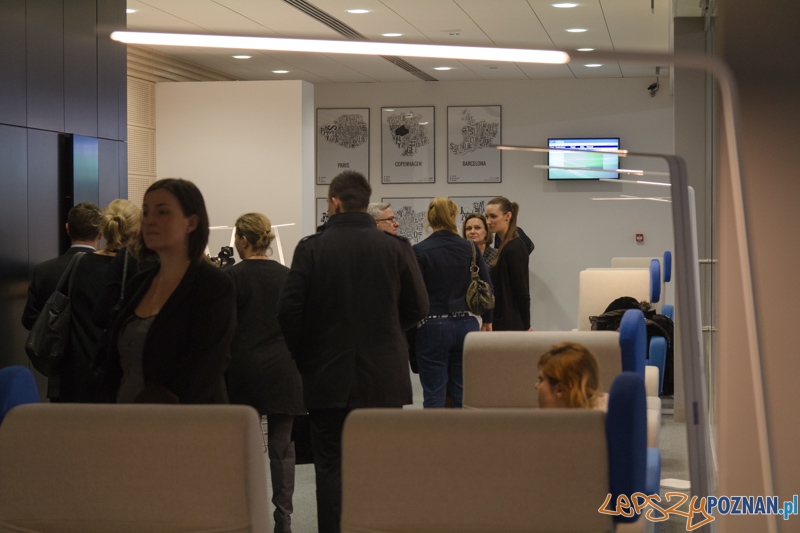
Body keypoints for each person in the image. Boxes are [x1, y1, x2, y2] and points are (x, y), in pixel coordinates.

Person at [277, 171, 428, 533]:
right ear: (365, 201)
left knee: (330, 467)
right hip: (384, 379)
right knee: (379, 466)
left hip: (327, 378)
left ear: (334, 202)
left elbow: (288, 313)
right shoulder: (397, 248)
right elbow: (419, 307)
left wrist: (306, 357)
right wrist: (389, 332)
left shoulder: (311, 249)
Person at [103, 178, 235, 404]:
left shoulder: (213, 286)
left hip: (182, 418)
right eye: (145, 212)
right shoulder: (139, 284)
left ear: (191, 223)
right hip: (124, 413)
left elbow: (204, 370)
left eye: (162, 212)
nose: (149, 221)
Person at [226, 212, 304, 533]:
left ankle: (247, 516)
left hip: (243, 370)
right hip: (284, 369)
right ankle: (283, 520)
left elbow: (224, 329)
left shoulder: (231, 277)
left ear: (243, 240)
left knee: (245, 449)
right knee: (282, 449)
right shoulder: (288, 276)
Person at [58, 199, 141, 402]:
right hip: (121, 373)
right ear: (137, 232)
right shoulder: (140, 270)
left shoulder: (78, 264)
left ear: (102, 229)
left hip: (78, 374)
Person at [413, 198, 492, 408]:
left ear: (430, 219)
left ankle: (435, 431)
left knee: (434, 392)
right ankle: (463, 431)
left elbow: (415, 293)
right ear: (453, 217)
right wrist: (488, 320)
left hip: (432, 325)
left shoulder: (419, 250)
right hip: (467, 324)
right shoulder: (471, 248)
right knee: (463, 393)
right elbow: (487, 286)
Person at [21, 201, 102, 401]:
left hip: (60, 375)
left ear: (67, 229)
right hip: (99, 371)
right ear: (100, 234)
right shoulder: (109, 269)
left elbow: (29, 320)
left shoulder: (44, 270)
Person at [485, 196, 531, 331]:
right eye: (487, 216)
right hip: (504, 318)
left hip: (510, 322)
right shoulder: (505, 246)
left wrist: (526, 324)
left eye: (493, 216)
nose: (488, 221)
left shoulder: (513, 247)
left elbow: (521, 290)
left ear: (508, 216)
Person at [536, 342, 606, 410]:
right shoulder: (606, 410)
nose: (536, 386)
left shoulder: (601, 414)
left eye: (541, 380)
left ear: (559, 389)